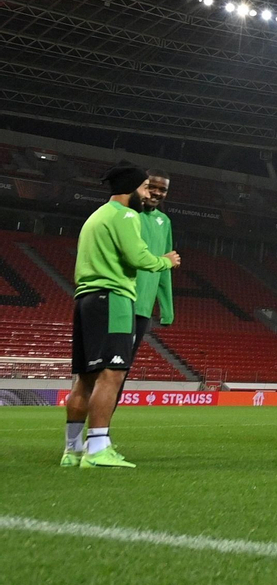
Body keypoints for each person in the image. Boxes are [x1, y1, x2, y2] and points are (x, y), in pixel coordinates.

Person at [62, 161, 180, 468]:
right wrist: (165, 261)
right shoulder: (126, 214)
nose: (148, 193)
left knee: (85, 379)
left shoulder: (96, 216)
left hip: (86, 298)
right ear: (132, 189)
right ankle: (99, 448)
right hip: (113, 297)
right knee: (111, 374)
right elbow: (137, 256)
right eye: (144, 187)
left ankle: (72, 450)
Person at [116, 170, 173, 413]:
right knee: (110, 368)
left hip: (143, 308)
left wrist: (167, 307)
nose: (157, 193)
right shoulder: (128, 216)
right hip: (121, 300)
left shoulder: (164, 222)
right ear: (141, 187)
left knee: (122, 369)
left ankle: (101, 433)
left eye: (163, 190)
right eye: (152, 187)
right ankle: (87, 434)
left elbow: (166, 264)